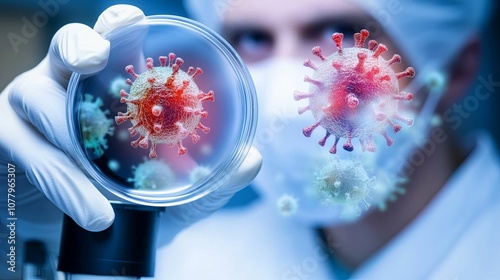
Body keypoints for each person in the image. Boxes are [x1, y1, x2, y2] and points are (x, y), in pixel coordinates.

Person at [0, 1, 499, 279]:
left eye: (340, 33)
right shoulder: (191, 261)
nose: (289, 85)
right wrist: (36, 247)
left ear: (453, 67)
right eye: (254, 39)